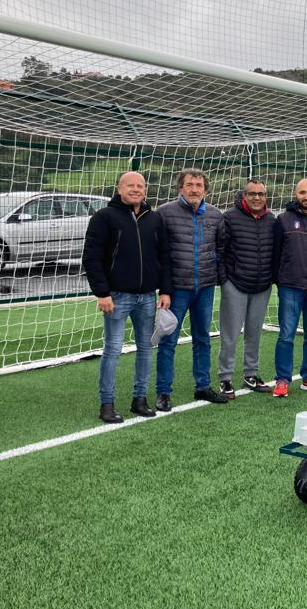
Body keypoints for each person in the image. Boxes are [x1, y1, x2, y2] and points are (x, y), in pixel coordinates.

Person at [83, 171, 172, 424]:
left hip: (147, 297)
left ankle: (139, 399)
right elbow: (92, 258)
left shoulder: (154, 219)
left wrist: (165, 291)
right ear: (119, 188)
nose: (136, 189)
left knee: (146, 349)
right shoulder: (104, 217)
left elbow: (164, 257)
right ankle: (107, 403)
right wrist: (102, 292)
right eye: (130, 185)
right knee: (113, 349)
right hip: (117, 297)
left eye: (140, 185)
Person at [155, 168, 228, 410]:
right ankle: (164, 392)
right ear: (180, 188)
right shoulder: (165, 213)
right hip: (176, 290)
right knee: (169, 341)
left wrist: (215, 277)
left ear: (205, 189)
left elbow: (220, 251)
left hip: (205, 289)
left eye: (199, 185)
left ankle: (203, 386)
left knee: (203, 339)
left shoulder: (216, 216)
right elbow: (159, 254)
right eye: (190, 184)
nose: (194, 189)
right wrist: (163, 288)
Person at [216, 178, 276, 398]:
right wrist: (224, 280)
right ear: (244, 196)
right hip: (235, 284)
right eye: (252, 194)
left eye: (261, 194)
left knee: (254, 333)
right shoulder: (229, 218)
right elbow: (219, 251)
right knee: (230, 334)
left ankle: (250, 374)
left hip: (261, 286)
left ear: (266, 197)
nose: (257, 198)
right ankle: (225, 377)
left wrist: (271, 277)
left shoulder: (271, 220)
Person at [271, 178, 307, 397]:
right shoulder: (283, 220)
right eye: (303, 192)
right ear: (296, 194)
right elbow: (275, 254)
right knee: (286, 335)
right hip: (290, 287)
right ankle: (282, 379)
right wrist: (282, 279)